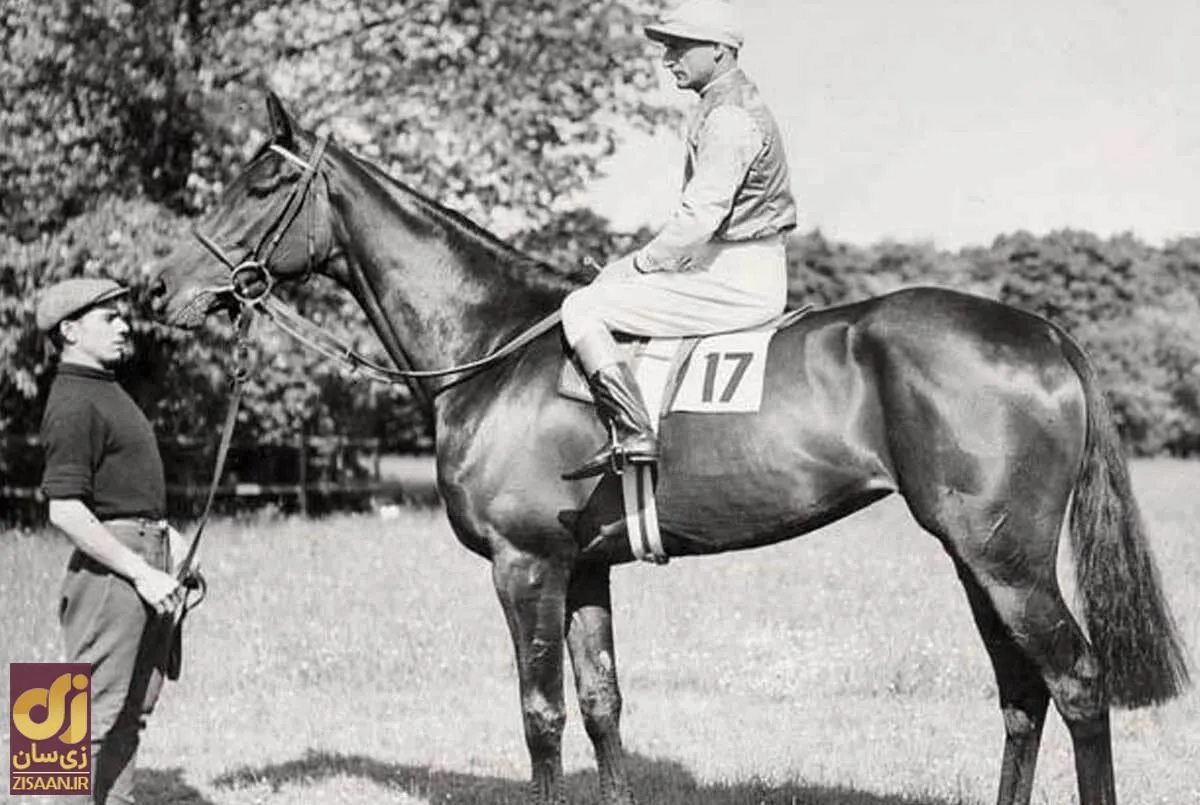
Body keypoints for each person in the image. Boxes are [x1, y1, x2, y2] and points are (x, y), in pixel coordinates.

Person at [560, 0, 797, 480]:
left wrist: (636, 265)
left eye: (680, 47)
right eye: (668, 47)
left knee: (582, 307)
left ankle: (633, 431)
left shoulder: (730, 118)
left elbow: (696, 222)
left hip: (736, 278)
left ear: (719, 49)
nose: (668, 59)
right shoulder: (724, 105)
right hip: (728, 267)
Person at [36, 277, 189, 804]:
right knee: (73, 718)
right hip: (112, 569)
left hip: (141, 554)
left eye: (123, 315)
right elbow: (63, 509)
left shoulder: (105, 388)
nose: (125, 326)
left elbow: (123, 488)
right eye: (109, 317)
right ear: (70, 331)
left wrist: (167, 539)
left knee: (130, 713)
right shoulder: (72, 398)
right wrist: (142, 571)